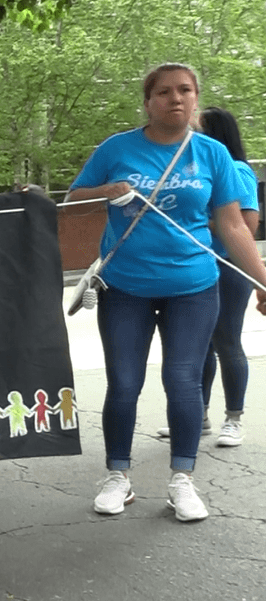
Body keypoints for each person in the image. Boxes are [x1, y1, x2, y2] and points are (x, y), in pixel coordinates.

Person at [65, 64, 266, 522]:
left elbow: (233, 226)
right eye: (163, 92)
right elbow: (74, 203)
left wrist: (262, 282)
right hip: (125, 287)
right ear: (148, 102)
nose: (175, 99)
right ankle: (117, 476)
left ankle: (183, 480)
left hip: (194, 288)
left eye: (185, 90)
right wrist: (108, 191)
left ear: (196, 98)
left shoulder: (212, 154)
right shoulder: (116, 148)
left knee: (183, 382)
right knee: (125, 385)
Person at [158, 107, 260, 447]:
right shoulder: (194, 171)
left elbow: (246, 226)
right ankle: (196, 416)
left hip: (229, 267)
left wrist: (202, 221)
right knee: (196, 346)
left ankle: (234, 418)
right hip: (195, 266)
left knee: (226, 341)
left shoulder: (236, 170)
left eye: (196, 126)